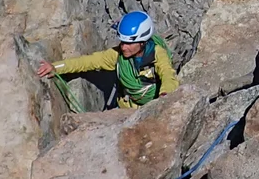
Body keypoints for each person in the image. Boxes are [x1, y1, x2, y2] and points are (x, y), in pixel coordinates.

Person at [37, 10, 178, 108]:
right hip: (127, 109)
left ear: (142, 42)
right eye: (122, 42)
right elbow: (88, 62)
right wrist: (56, 67)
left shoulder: (157, 54)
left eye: (129, 43)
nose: (123, 47)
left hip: (151, 107)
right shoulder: (118, 56)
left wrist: (165, 96)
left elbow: (167, 74)